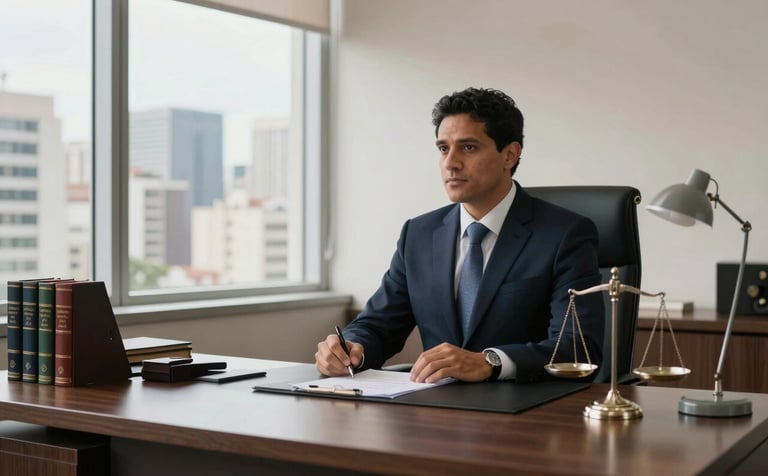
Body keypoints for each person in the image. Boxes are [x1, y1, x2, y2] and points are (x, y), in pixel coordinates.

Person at [315, 87, 604, 384]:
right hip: (435, 404)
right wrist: (351, 348)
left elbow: (578, 348)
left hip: (525, 404)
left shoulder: (565, 235)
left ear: (509, 155)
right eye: (443, 149)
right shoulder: (418, 234)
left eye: (468, 148)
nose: (450, 163)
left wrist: (490, 361)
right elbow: (377, 325)